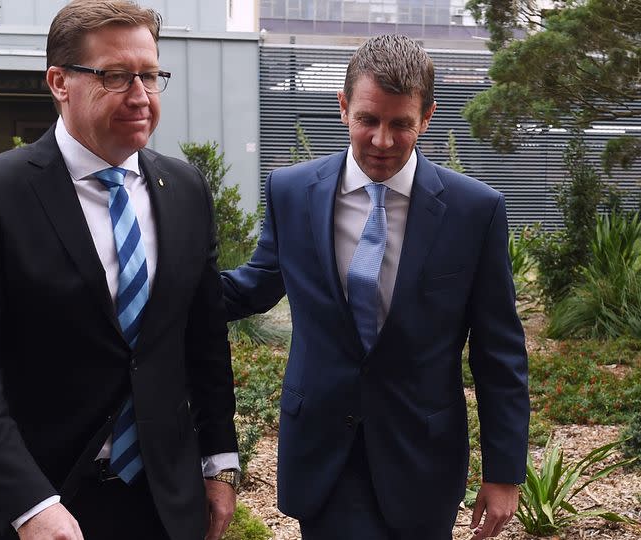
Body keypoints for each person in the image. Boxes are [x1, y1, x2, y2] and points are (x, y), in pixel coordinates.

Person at [0, 2, 240, 539]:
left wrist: (219, 463)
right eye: (116, 76)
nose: (140, 95)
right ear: (59, 82)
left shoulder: (186, 190)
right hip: (37, 503)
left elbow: (205, 343)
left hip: (160, 503)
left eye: (149, 74)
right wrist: (29, 504)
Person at [222, 34, 530, 539]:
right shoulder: (291, 191)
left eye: (400, 124)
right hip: (322, 452)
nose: (382, 141)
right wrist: (163, 287)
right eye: (368, 119)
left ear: (426, 117)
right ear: (343, 108)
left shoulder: (476, 212)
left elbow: (500, 354)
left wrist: (504, 472)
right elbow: (254, 287)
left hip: (421, 458)